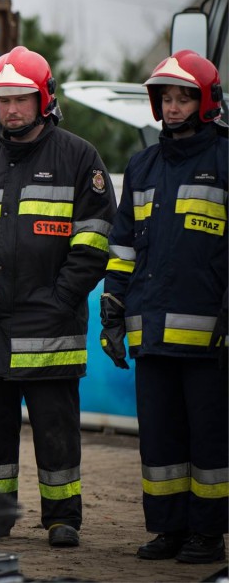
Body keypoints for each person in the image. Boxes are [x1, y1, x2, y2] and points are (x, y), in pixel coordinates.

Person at [0, 46, 116, 548]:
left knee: (55, 429)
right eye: (2, 101)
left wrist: (60, 299)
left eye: (22, 98)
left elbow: (94, 241)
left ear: (43, 100)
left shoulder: (79, 157)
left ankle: (62, 517)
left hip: (50, 326)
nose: (12, 109)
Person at [100, 50, 227, 564]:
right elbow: (124, 246)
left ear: (206, 102)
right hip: (150, 332)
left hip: (210, 340)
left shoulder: (224, 160)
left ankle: (208, 533)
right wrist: (111, 311)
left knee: (211, 441)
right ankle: (169, 529)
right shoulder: (143, 165)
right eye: (166, 99)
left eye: (183, 98)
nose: (172, 108)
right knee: (160, 442)